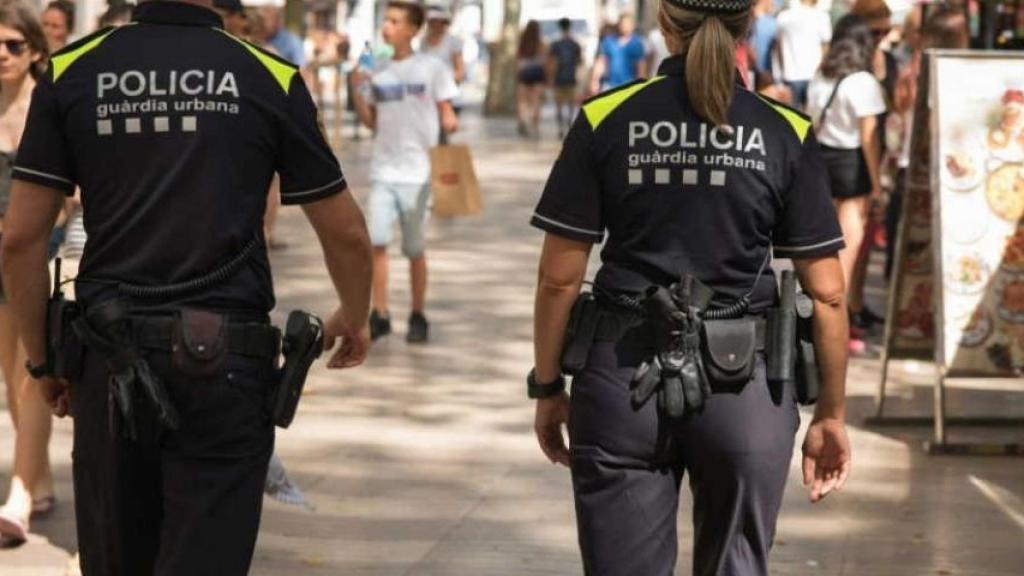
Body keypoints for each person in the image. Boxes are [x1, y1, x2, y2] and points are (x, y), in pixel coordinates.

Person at [0, 0, 373, 573]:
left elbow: (20, 239)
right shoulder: (267, 73)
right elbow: (345, 230)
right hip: (225, 369)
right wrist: (354, 311)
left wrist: (44, 360)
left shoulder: (73, 69)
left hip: (108, 361)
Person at [529, 0, 852, 573]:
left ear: (663, 21)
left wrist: (548, 385)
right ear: (748, 24)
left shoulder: (606, 118)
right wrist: (830, 412)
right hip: (746, 391)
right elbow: (827, 293)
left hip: (621, 381)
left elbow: (559, 277)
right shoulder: (784, 130)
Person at [350, 1, 458, 344]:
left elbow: (448, 114)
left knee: (414, 249)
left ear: (413, 28)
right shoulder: (377, 70)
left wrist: (448, 129)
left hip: (419, 175)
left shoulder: (432, 68)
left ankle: (417, 313)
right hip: (384, 170)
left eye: (395, 21)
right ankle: (379, 313)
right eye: (386, 20)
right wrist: (357, 89)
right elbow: (372, 123)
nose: (387, 27)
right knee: (377, 243)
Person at [0, 1, 54, 547]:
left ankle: (19, 492)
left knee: (32, 372)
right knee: (10, 381)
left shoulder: (49, 104)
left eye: (13, 45)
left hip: (41, 253)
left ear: (35, 50)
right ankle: (39, 476)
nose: (2, 55)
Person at [807, 14, 886, 353]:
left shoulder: (820, 77)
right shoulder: (864, 81)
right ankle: (838, 331)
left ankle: (822, 322)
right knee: (847, 257)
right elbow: (869, 136)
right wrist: (876, 182)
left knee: (826, 250)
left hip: (822, 162)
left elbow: (809, 121)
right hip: (853, 167)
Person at [846, 0, 897, 333]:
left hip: (884, 153)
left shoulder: (888, 61)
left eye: (885, 29)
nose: (880, 36)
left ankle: (859, 301)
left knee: (867, 243)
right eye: (874, 29)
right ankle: (850, 307)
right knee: (854, 239)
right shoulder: (852, 62)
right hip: (858, 157)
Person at [776, 0, 832, 108]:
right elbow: (826, 49)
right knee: (813, 118)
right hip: (815, 74)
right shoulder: (822, 17)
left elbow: (779, 49)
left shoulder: (783, 17)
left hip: (790, 75)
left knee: (793, 119)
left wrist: (782, 72)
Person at [589, 13, 647, 94]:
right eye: (623, 24)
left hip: (629, 86)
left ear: (632, 26)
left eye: (627, 24)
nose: (625, 27)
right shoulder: (609, 41)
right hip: (610, 85)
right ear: (618, 25)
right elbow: (601, 62)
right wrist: (595, 81)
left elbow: (641, 66)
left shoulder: (637, 43)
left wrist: (641, 86)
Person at [548, 17, 583, 138]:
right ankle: (569, 124)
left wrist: (551, 78)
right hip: (571, 77)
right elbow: (579, 62)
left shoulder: (556, 45)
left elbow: (552, 62)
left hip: (559, 78)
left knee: (559, 105)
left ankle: (561, 128)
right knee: (570, 104)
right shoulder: (575, 44)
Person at [515, 20, 546, 138]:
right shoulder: (541, 43)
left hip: (524, 74)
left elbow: (517, 61)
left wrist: (517, 74)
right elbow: (545, 61)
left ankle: (524, 121)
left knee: (523, 102)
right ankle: (535, 125)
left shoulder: (522, 43)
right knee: (536, 101)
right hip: (537, 74)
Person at [421, 6, 465, 85]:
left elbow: (460, 71)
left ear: (443, 22)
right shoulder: (423, 41)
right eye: (431, 21)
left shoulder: (453, 41)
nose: (433, 24)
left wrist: (446, 80)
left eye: (436, 21)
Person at [750, 0, 778, 76]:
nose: (773, 3)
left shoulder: (744, 22)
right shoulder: (773, 24)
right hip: (763, 74)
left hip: (750, 73)